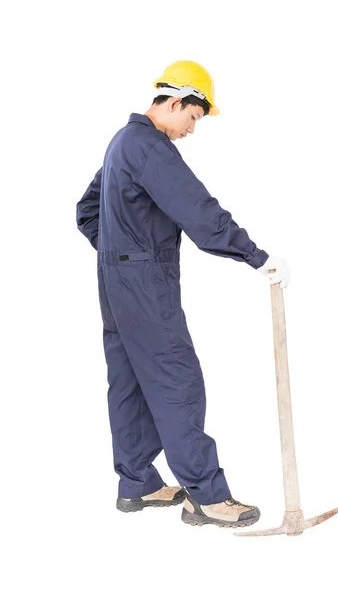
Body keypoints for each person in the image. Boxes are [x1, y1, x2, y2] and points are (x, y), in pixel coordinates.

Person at [76, 60, 291, 529]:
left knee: (130, 382)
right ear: (174, 102)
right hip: (145, 286)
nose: (192, 130)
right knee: (178, 380)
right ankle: (206, 496)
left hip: (115, 284)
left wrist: (119, 252)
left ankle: (138, 483)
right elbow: (198, 211)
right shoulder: (151, 148)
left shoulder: (121, 142)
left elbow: (86, 209)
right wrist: (255, 256)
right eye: (193, 118)